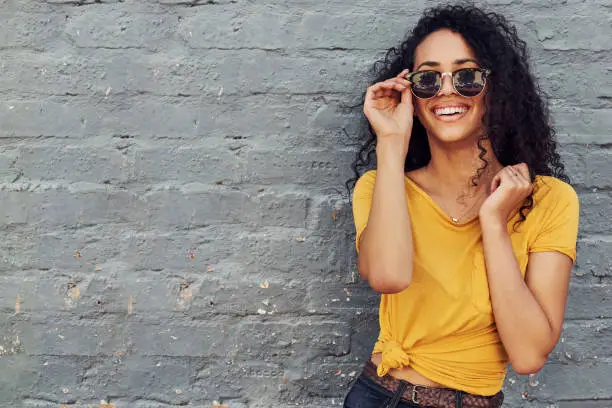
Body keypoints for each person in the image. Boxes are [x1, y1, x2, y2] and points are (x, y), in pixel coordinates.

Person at [343, 4, 580, 408]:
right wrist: (391, 142)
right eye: (428, 79)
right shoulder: (381, 187)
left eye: (467, 76)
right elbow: (388, 276)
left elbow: (527, 354)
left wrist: (494, 224)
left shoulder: (548, 200)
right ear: (412, 95)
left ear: (497, 88)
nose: (446, 90)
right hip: (382, 397)